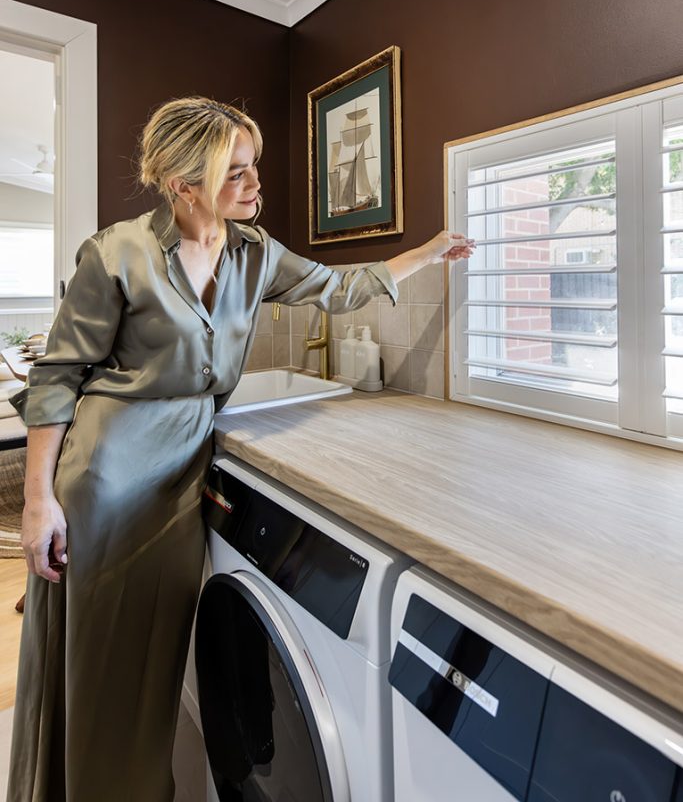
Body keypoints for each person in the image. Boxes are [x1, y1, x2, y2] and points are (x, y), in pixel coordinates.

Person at [7, 96, 474, 802]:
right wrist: (38, 501)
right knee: (102, 663)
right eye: (237, 173)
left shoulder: (256, 253)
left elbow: (340, 288)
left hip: (177, 474)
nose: (256, 185)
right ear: (182, 183)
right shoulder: (118, 252)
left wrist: (428, 252)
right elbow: (59, 375)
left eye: (254, 168)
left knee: (152, 665)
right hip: (104, 473)